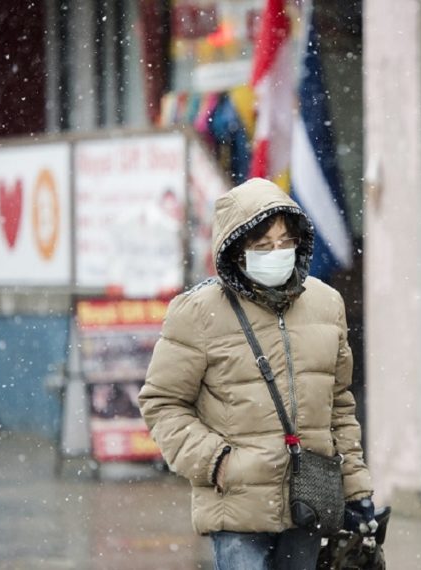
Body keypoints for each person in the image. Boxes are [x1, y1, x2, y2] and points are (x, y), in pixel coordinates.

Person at [138, 178, 374, 570]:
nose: (277, 253)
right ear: (236, 251)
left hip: (310, 502)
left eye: (285, 241)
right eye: (263, 245)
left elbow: (339, 408)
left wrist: (356, 487)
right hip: (237, 509)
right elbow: (162, 403)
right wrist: (217, 462)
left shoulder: (326, 304)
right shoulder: (197, 313)